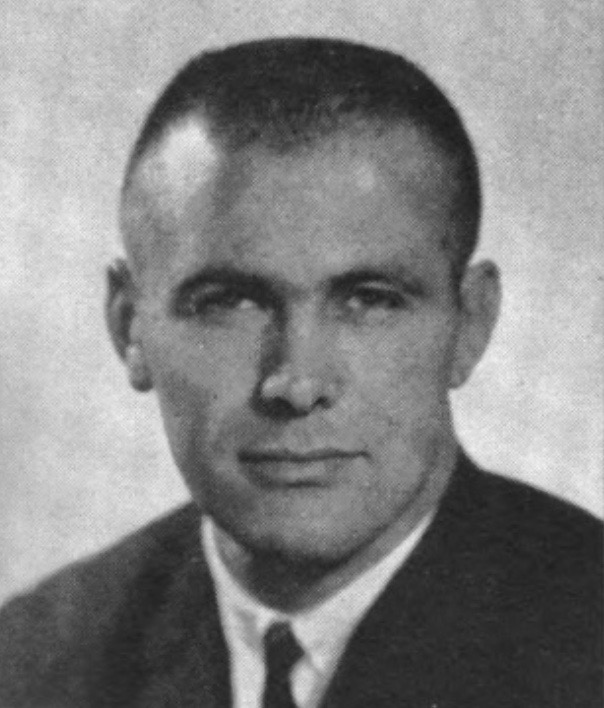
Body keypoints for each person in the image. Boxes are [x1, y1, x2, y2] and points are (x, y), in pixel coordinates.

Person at [0, 37, 601, 708]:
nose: (296, 382)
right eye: (230, 302)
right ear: (128, 325)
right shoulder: (33, 666)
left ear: (471, 324)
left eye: (369, 300)